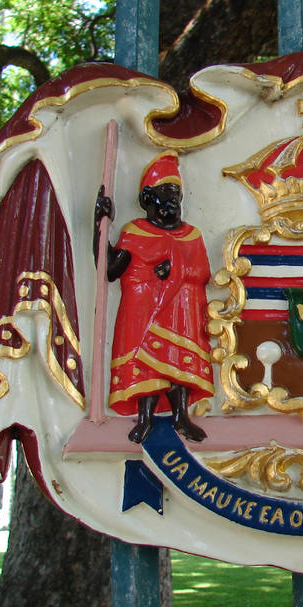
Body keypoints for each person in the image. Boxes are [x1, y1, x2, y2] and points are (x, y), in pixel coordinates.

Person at [94, 151, 212, 443]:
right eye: (166, 193)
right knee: (145, 361)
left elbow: (202, 271)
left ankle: (180, 415)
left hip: (181, 310)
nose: (173, 200)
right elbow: (110, 268)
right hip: (142, 309)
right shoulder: (134, 233)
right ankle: (145, 417)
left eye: (177, 194)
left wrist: (177, 268)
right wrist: (99, 223)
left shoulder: (191, 234)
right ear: (148, 198)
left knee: (179, 362)